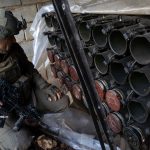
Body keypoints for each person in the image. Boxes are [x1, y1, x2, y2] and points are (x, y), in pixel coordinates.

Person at [0, 9, 96, 150]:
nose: (14, 40)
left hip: (28, 94)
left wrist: (45, 87)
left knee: (62, 102)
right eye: (8, 38)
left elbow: (29, 69)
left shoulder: (13, 49)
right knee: (20, 143)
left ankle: (38, 123)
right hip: (6, 113)